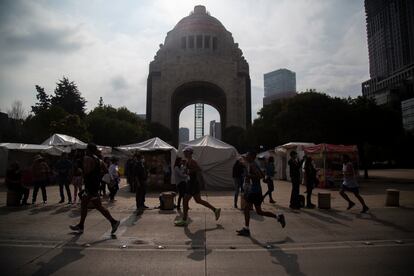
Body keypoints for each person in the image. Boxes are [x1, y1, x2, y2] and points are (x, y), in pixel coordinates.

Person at [70, 143, 120, 234]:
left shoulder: (88, 158)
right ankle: (113, 222)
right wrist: (98, 175)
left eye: (86, 149)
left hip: (90, 186)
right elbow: (106, 171)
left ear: (88, 150)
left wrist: (81, 171)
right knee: (97, 206)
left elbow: (87, 171)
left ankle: (81, 226)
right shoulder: (99, 160)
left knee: (86, 204)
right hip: (95, 185)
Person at [236, 151, 285, 237]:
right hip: (257, 191)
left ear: (252, 156)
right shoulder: (253, 164)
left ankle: (246, 229)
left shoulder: (253, 165)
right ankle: (278, 217)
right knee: (259, 212)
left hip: (254, 191)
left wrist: (249, 176)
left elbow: (259, 176)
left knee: (246, 209)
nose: (246, 157)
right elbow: (262, 175)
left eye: (248, 156)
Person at [174, 147, 221, 226]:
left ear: (190, 153)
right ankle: (215, 210)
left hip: (193, 184)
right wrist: (186, 171)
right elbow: (189, 172)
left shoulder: (193, 161)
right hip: (192, 183)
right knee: (198, 200)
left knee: (185, 201)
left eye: (186, 152)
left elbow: (199, 169)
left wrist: (189, 171)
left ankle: (184, 219)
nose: (184, 153)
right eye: (184, 152)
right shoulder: (188, 161)